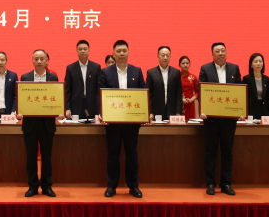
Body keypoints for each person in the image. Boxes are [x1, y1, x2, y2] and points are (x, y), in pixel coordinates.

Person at [97, 40, 145, 198]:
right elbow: (100, 95)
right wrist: (101, 114)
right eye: (118, 51)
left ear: (128, 53)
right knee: (113, 155)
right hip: (113, 122)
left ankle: (133, 186)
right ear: (113, 54)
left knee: (132, 155)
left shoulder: (137, 71)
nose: (122, 54)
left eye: (124, 51)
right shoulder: (106, 72)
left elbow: (143, 93)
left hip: (131, 122)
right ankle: (111, 186)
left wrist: (145, 113)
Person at [199, 42, 243, 196]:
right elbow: (201, 90)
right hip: (211, 119)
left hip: (229, 119)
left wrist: (240, 111)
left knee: (227, 152)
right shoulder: (205, 68)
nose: (220, 53)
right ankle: (210, 183)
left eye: (222, 50)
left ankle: (226, 183)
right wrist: (202, 110)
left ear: (226, 52)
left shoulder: (234, 68)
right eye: (217, 51)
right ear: (212, 54)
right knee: (210, 152)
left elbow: (239, 91)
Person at [18, 49, 59, 198]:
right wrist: (19, 110)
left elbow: (56, 97)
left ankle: (47, 186)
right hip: (30, 123)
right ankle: (33, 186)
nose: (39, 61)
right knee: (31, 157)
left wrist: (59, 110)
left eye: (42, 59)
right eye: (36, 59)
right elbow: (22, 98)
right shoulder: (25, 77)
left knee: (47, 156)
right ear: (32, 60)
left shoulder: (53, 77)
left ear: (47, 60)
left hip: (47, 123)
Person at [64, 39, 102, 121]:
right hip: (76, 105)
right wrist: (67, 108)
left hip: (92, 105)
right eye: (80, 49)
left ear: (89, 51)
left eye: (85, 49)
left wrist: (99, 110)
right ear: (77, 51)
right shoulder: (70, 68)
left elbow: (98, 90)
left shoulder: (96, 67)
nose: (83, 51)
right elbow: (67, 90)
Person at [146, 46, 183, 121]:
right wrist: (150, 112)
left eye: (167, 55)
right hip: (156, 112)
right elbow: (149, 95)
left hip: (172, 112)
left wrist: (178, 112)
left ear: (170, 57)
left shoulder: (176, 72)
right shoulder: (151, 73)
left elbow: (179, 94)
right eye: (163, 55)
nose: (165, 58)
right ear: (158, 56)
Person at [243, 53, 269, 119]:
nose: (258, 64)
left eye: (260, 61)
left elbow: (268, 98)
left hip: (264, 111)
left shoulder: (267, 79)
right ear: (251, 65)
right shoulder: (246, 79)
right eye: (255, 62)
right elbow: (244, 98)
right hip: (251, 112)